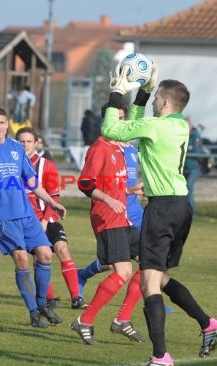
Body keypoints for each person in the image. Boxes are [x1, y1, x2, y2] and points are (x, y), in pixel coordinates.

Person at [100, 64, 217, 366]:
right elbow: (143, 124)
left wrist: (118, 92)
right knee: (159, 276)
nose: (154, 101)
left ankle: (161, 356)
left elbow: (111, 131)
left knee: (147, 281)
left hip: (163, 208)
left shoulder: (156, 127)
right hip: (181, 206)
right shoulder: (179, 125)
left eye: (156, 97)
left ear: (165, 104)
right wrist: (142, 92)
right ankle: (208, 323)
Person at [0, 107, 66, 328]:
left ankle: (42, 305)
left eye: (2, 122)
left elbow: (32, 182)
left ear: (7, 124)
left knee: (45, 254)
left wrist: (51, 201)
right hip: (1, 216)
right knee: (21, 258)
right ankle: (33, 313)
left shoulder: (16, 147)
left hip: (26, 213)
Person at [69, 100, 145, 346]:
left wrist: (132, 190)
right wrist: (108, 199)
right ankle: (85, 320)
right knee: (123, 272)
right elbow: (86, 183)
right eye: (118, 118)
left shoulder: (119, 149)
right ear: (107, 122)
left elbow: (114, 183)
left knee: (152, 262)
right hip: (106, 216)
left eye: (124, 119)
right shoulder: (100, 147)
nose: (122, 123)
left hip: (123, 216)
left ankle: (122, 319)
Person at [15, 127, 83, 310]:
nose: (25, 145)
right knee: (40, 257)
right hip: (25, 223)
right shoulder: (12, 167)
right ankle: (49, 298)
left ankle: (76, 297)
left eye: (29, 141)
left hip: (48, 219)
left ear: (36, 143)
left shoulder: (47, 165)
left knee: (62, 250)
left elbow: (53, 197)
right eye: (21, 141)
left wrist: (44, 221)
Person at [183, 118, 204, 211]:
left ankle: (190, 210)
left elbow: (197, 150)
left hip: (194, 168)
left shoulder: (196, 136)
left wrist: (186, 149)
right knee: (182, 189)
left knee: (189, 186)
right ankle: (183, 210)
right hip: (182, 168)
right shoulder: (180, 135)